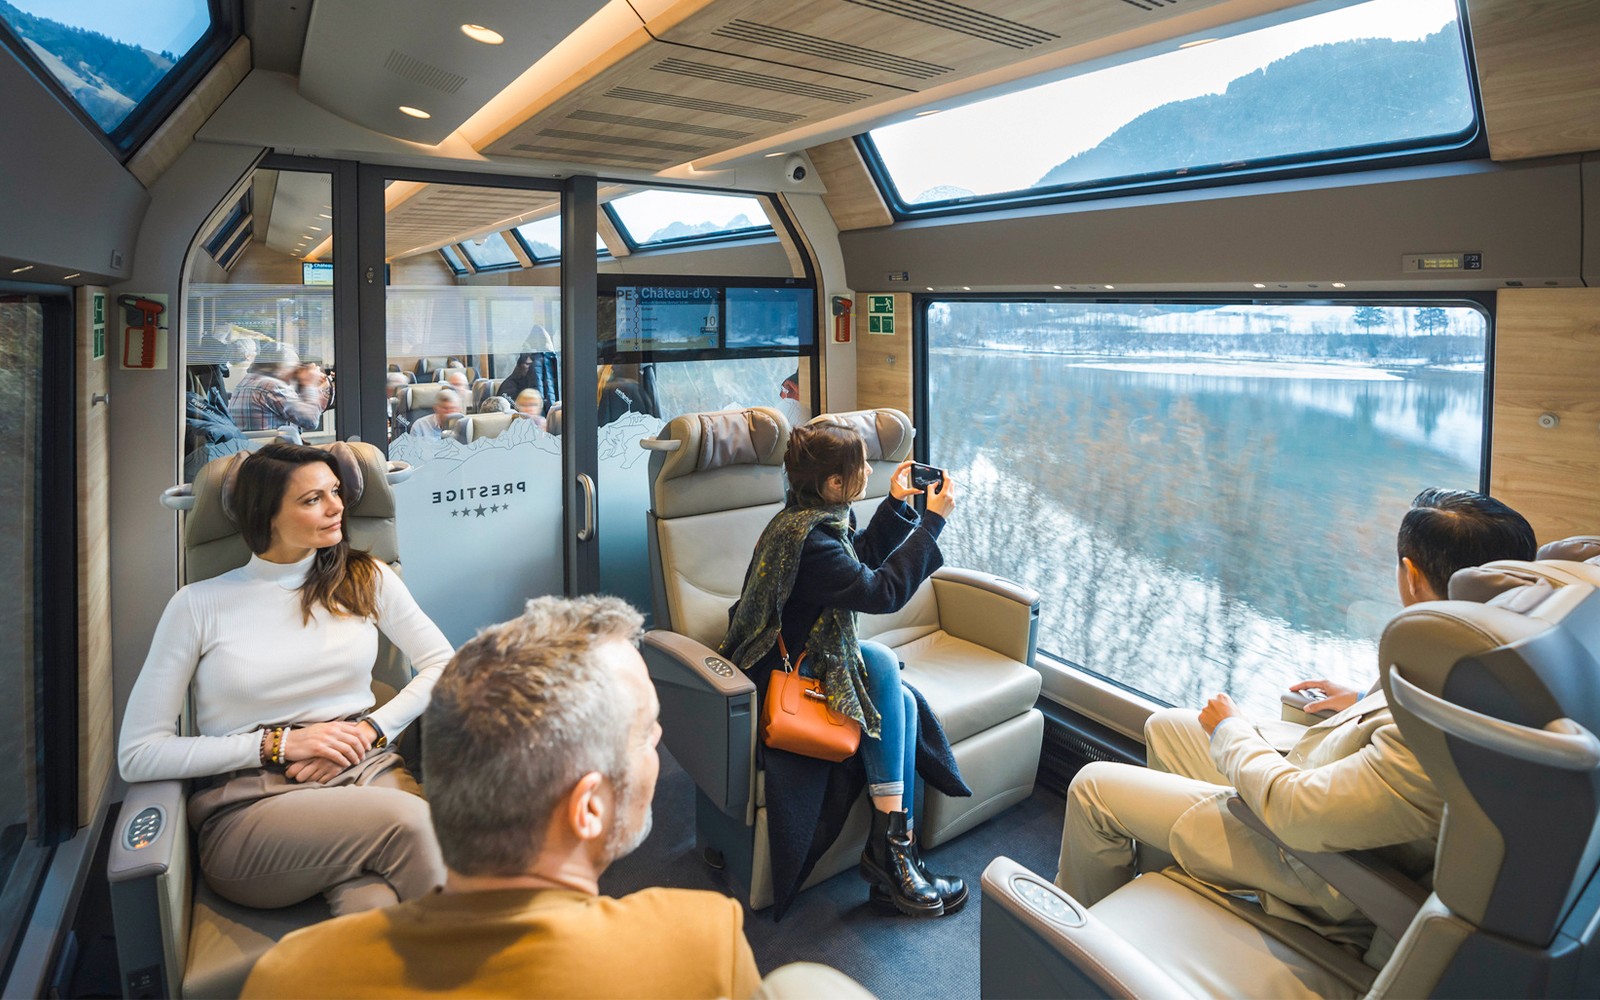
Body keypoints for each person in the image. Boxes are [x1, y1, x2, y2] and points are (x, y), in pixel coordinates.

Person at [1057, 488, 1537, 942]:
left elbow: (1297, 811)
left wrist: (1230, 730)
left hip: (1319, 861)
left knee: (1093, 787)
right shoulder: (1502, 658)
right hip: (1328, 788)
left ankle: (1071, 951)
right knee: (1166, 728)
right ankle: (1164, 893)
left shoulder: (1444, 716)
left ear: (1410, 576)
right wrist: (1362, 702)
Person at [241, 596, 762, 999]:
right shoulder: (700, 947)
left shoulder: (289, 977)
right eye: (646, 731)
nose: (659, 743)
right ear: (589, 808)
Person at [119, 442, 454, 915]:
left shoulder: (366, 576)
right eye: (312, 499)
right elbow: (138, 755)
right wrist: (279, 745)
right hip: (254, 803)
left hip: (361, 767)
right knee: (412, 822)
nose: (337, 507)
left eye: (335, 491)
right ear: (266, 515)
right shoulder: (197, 606)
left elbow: (444, 663)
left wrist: (369, 730)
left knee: (374, 912)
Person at [720, 420, 968, 919]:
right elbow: (881, 592)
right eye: (859, 470)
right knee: (880, 664)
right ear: (834, 483)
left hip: (806, 656)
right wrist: (932, 523)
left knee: (896, 697)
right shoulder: (810, 540)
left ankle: (894, 856)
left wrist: (897, 505)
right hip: (779, 672)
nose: (866, 475)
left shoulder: (810, 518)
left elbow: (857, 565)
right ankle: (893, 857)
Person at [228, 341, 332, 432]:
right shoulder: (272, 387)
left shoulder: (246, 382)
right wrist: (309, 384)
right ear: (282, 368)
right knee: (339, 447)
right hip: (271, 451)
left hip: (251, 448)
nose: (295, 374)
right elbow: (311, 421)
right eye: (294, 368)